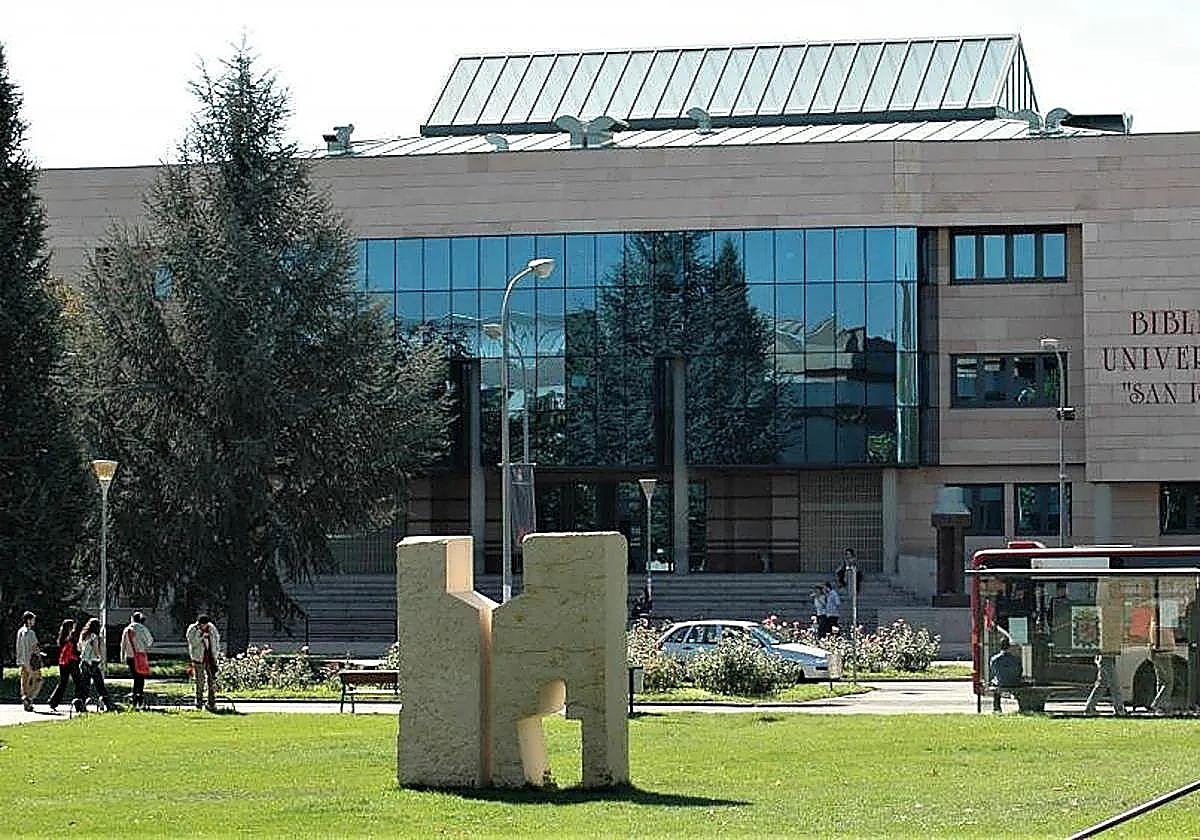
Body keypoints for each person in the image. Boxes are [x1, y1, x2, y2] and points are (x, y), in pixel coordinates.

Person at [1085, 582, 1127, 716]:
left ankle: (1089, 707)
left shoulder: (1110, 608)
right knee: (1113, 682)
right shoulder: (1109, 609)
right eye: (1117, 590)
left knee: (1102, 682)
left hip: (1108, 651)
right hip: (1106, 651)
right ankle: (1119, 708)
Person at [46, 619, 86, 714]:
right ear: (70, 627)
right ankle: (78, 703)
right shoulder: (72, 638)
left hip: (63, 662)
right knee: (79, 683)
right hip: (72, 662)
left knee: (63, 683)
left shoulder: (62, 638)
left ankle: (53, 701)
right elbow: (76, 650)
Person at [186, 614, 222, 711]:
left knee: (212, 680)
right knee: (200, 680)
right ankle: (199, 701)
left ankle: (211, 702)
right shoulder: (192, 629)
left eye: (206, 624)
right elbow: (193, 643)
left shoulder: (212, 628)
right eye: (203, 625)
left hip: (210, 658)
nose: (204, 626)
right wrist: (201, 635)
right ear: (199, 624)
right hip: (198, 659)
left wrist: (216, 654)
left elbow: (216, 640)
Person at [76, 618, 114, 712]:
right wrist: (100, 658)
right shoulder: (94, 636)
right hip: (92, 663)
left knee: (85, 685)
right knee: (100, 685)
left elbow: (79, 648)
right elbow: (96, 649)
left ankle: (80, 704)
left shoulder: (84, 636)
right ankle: (108, 704)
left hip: (83, 662)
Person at [120, 611, 154, 708]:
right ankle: (139, 697)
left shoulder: (127, 629)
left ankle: (135, 697)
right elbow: (150, 641)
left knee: (135, 677)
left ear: (132, 618)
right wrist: (143, 646)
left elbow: (123, 644)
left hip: (130, 657)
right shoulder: (143, 629)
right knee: (141, 678)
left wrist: (122, 657)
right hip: (140, 656)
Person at [15, 611, 43, 712]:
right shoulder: (31, 633)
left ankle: (25, 699)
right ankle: (29, 698)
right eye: (33, 619)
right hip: (31, 661)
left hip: (22, 660)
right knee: (38, 680)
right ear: (28, 620)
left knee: (25, 682)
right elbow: (35, 647)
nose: (34, 621)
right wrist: (40, 656)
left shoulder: (20, 632)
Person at [989, 637, 1023, 712]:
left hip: (1001, 683)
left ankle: (997, 708)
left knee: (995, 687)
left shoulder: (994, 659)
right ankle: (1021, 707)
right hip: (1014, 683)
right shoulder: (1016, 659)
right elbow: (1020, 671)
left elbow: (993, 671)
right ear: (1009, 647)